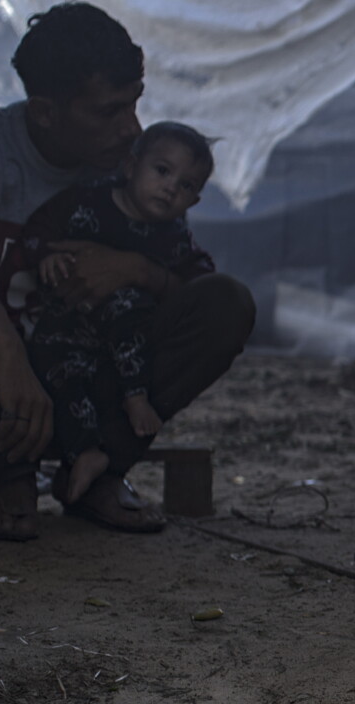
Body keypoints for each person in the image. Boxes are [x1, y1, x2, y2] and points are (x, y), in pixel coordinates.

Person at [0, 2, 254, 541]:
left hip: (95, 387)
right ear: (46, 112)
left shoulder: (135, 172)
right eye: (108, 112)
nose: (132, 129)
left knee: (227, 303)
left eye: (134, 106)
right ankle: (10, 476)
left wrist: (137, 270)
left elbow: (193, 290)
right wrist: (5, 347)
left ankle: (102, 468)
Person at [23, 121, 219, 514]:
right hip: (67, 331)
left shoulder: (172, 236)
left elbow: (201, 280)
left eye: (186, 186)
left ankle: (134, 398)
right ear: (130, 167)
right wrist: (47, 256)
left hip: (127, 351)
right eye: (162, 171)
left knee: (127, 305)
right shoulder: (85, 202)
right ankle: (87, 454)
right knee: (60, 374)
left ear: (194, 202)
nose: (170, 188)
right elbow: (39, 230)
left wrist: (152, 276)